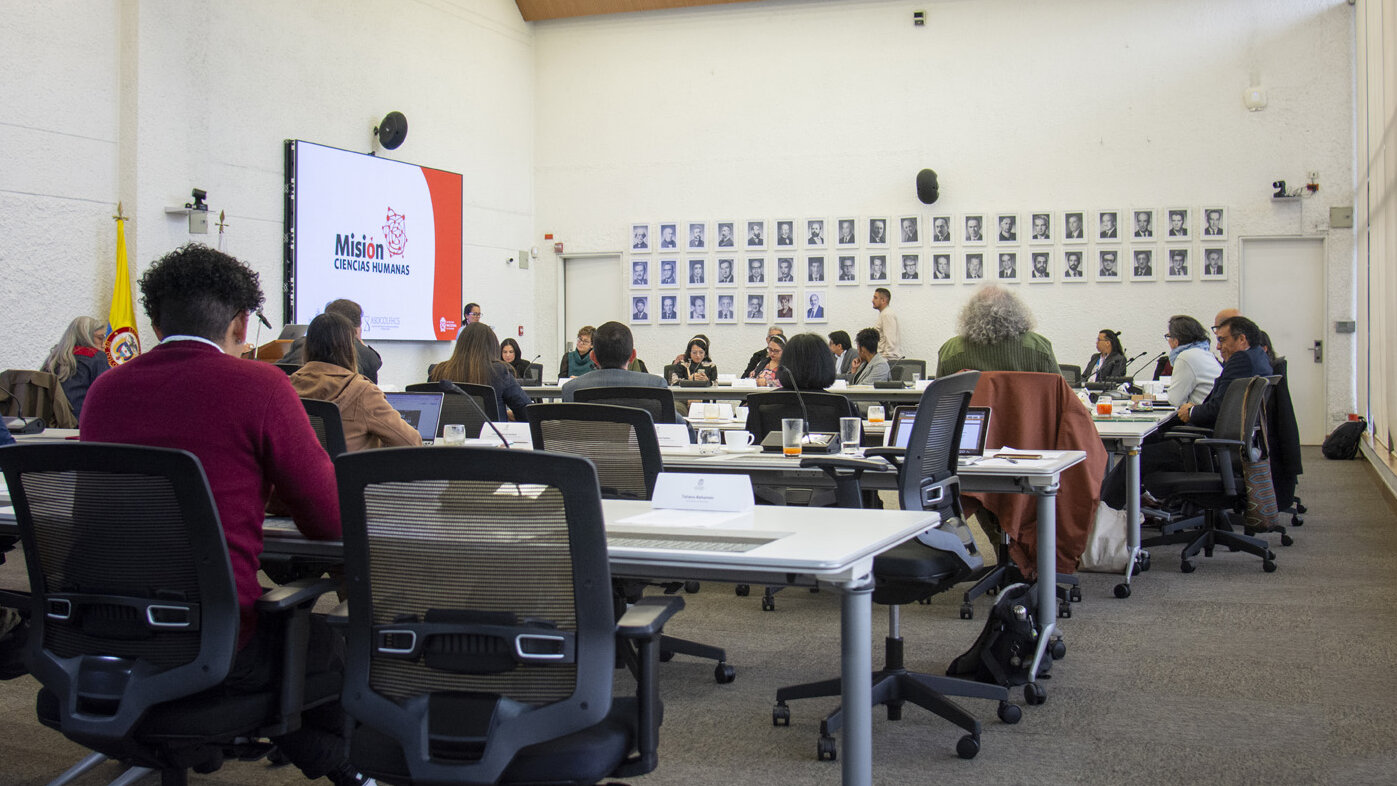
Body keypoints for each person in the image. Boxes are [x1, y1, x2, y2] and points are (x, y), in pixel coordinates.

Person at [78, 244, 356, 785]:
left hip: (99, 634)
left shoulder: (105, 391)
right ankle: (341, 765)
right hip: (220, 642)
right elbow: (332, 523)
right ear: (241, 322)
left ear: (155, 321)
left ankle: (317, 755)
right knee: (331, 646)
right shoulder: (261, 387)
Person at [291, 313, 421, 451]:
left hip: (296, 472)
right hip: (345, 472)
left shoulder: (285, 387)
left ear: (307, 346)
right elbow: (411, 442)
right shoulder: (363, 393)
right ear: (349, 348)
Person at [935, 284, 1059, 376]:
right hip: (1028, 412)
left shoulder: (951, 350)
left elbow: (939, 402)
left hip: (972, 412)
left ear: (971, 313)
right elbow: (1061, 398)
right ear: (1015, 311)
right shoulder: (1039, 347)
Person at [1179, 315, 1270, 428]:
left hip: (1209, 435)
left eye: (1222, 340)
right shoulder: (1260, 356)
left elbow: (1220, 408)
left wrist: (1191, 411)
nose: (1218, 347)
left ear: (1242, 339)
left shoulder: (1241, 359)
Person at [431, 322, 530, 420]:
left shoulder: (438, 371)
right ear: (492, 346)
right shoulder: (498, 371)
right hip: (490, 434)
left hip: (448, 434)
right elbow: (527, 412)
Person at [561, 321, 669, 401]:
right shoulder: (656, 385)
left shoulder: (571, 389)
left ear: (593, 357)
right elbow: (675, 423)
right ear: (633, 356)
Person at [281, 298, 383, 382]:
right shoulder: (366, 355)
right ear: (356, 330)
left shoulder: (301, 344)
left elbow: (277, 371)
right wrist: (359, 343)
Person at [40, 315, 109, 418]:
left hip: (51, 422)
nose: (103, 345)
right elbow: (106, 394)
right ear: (86, 336)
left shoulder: (53, 358)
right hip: (82, 422)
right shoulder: (97, 357)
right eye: (100, 338)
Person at [1163, 315, 1221, 406]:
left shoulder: (1186, 357)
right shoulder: (1205, 354)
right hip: (1212, 411)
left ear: (1176, 340)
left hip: (1201, 416)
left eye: (1169, 336)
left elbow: (1175, 400)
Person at [871, 287, 902, 360]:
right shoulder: (884, 314)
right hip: (884, 359)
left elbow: (890, 340)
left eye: (875, 298)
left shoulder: (887, 314)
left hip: (888, 360)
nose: (872, 300)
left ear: (883, 300)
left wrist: (884, 361)